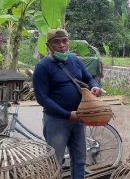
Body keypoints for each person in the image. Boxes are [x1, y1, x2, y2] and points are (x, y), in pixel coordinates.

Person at [33, 29, 103, 179]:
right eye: (56, 42)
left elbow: (88, 78)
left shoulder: (75, 60)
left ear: (68, 42)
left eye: (64, 41)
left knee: (79, 160)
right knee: (55, 162)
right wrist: (66, 114)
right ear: (49, 45)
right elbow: (42, 98)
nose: (61, 45)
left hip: (78, 118)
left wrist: (94, 86)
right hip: (56, 121)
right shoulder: (43, 67)